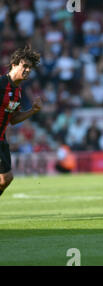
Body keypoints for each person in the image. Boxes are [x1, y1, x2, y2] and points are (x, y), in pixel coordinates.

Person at [0, 45, 41, 198]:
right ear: (14, 64)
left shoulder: (17, 92)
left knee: (6, 179)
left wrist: (33, 110)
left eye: (30, 68)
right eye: (25, 66)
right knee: (5, 178)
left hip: (2, 139)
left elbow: (13, 119)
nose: (28, 70)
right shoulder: (1, 84)